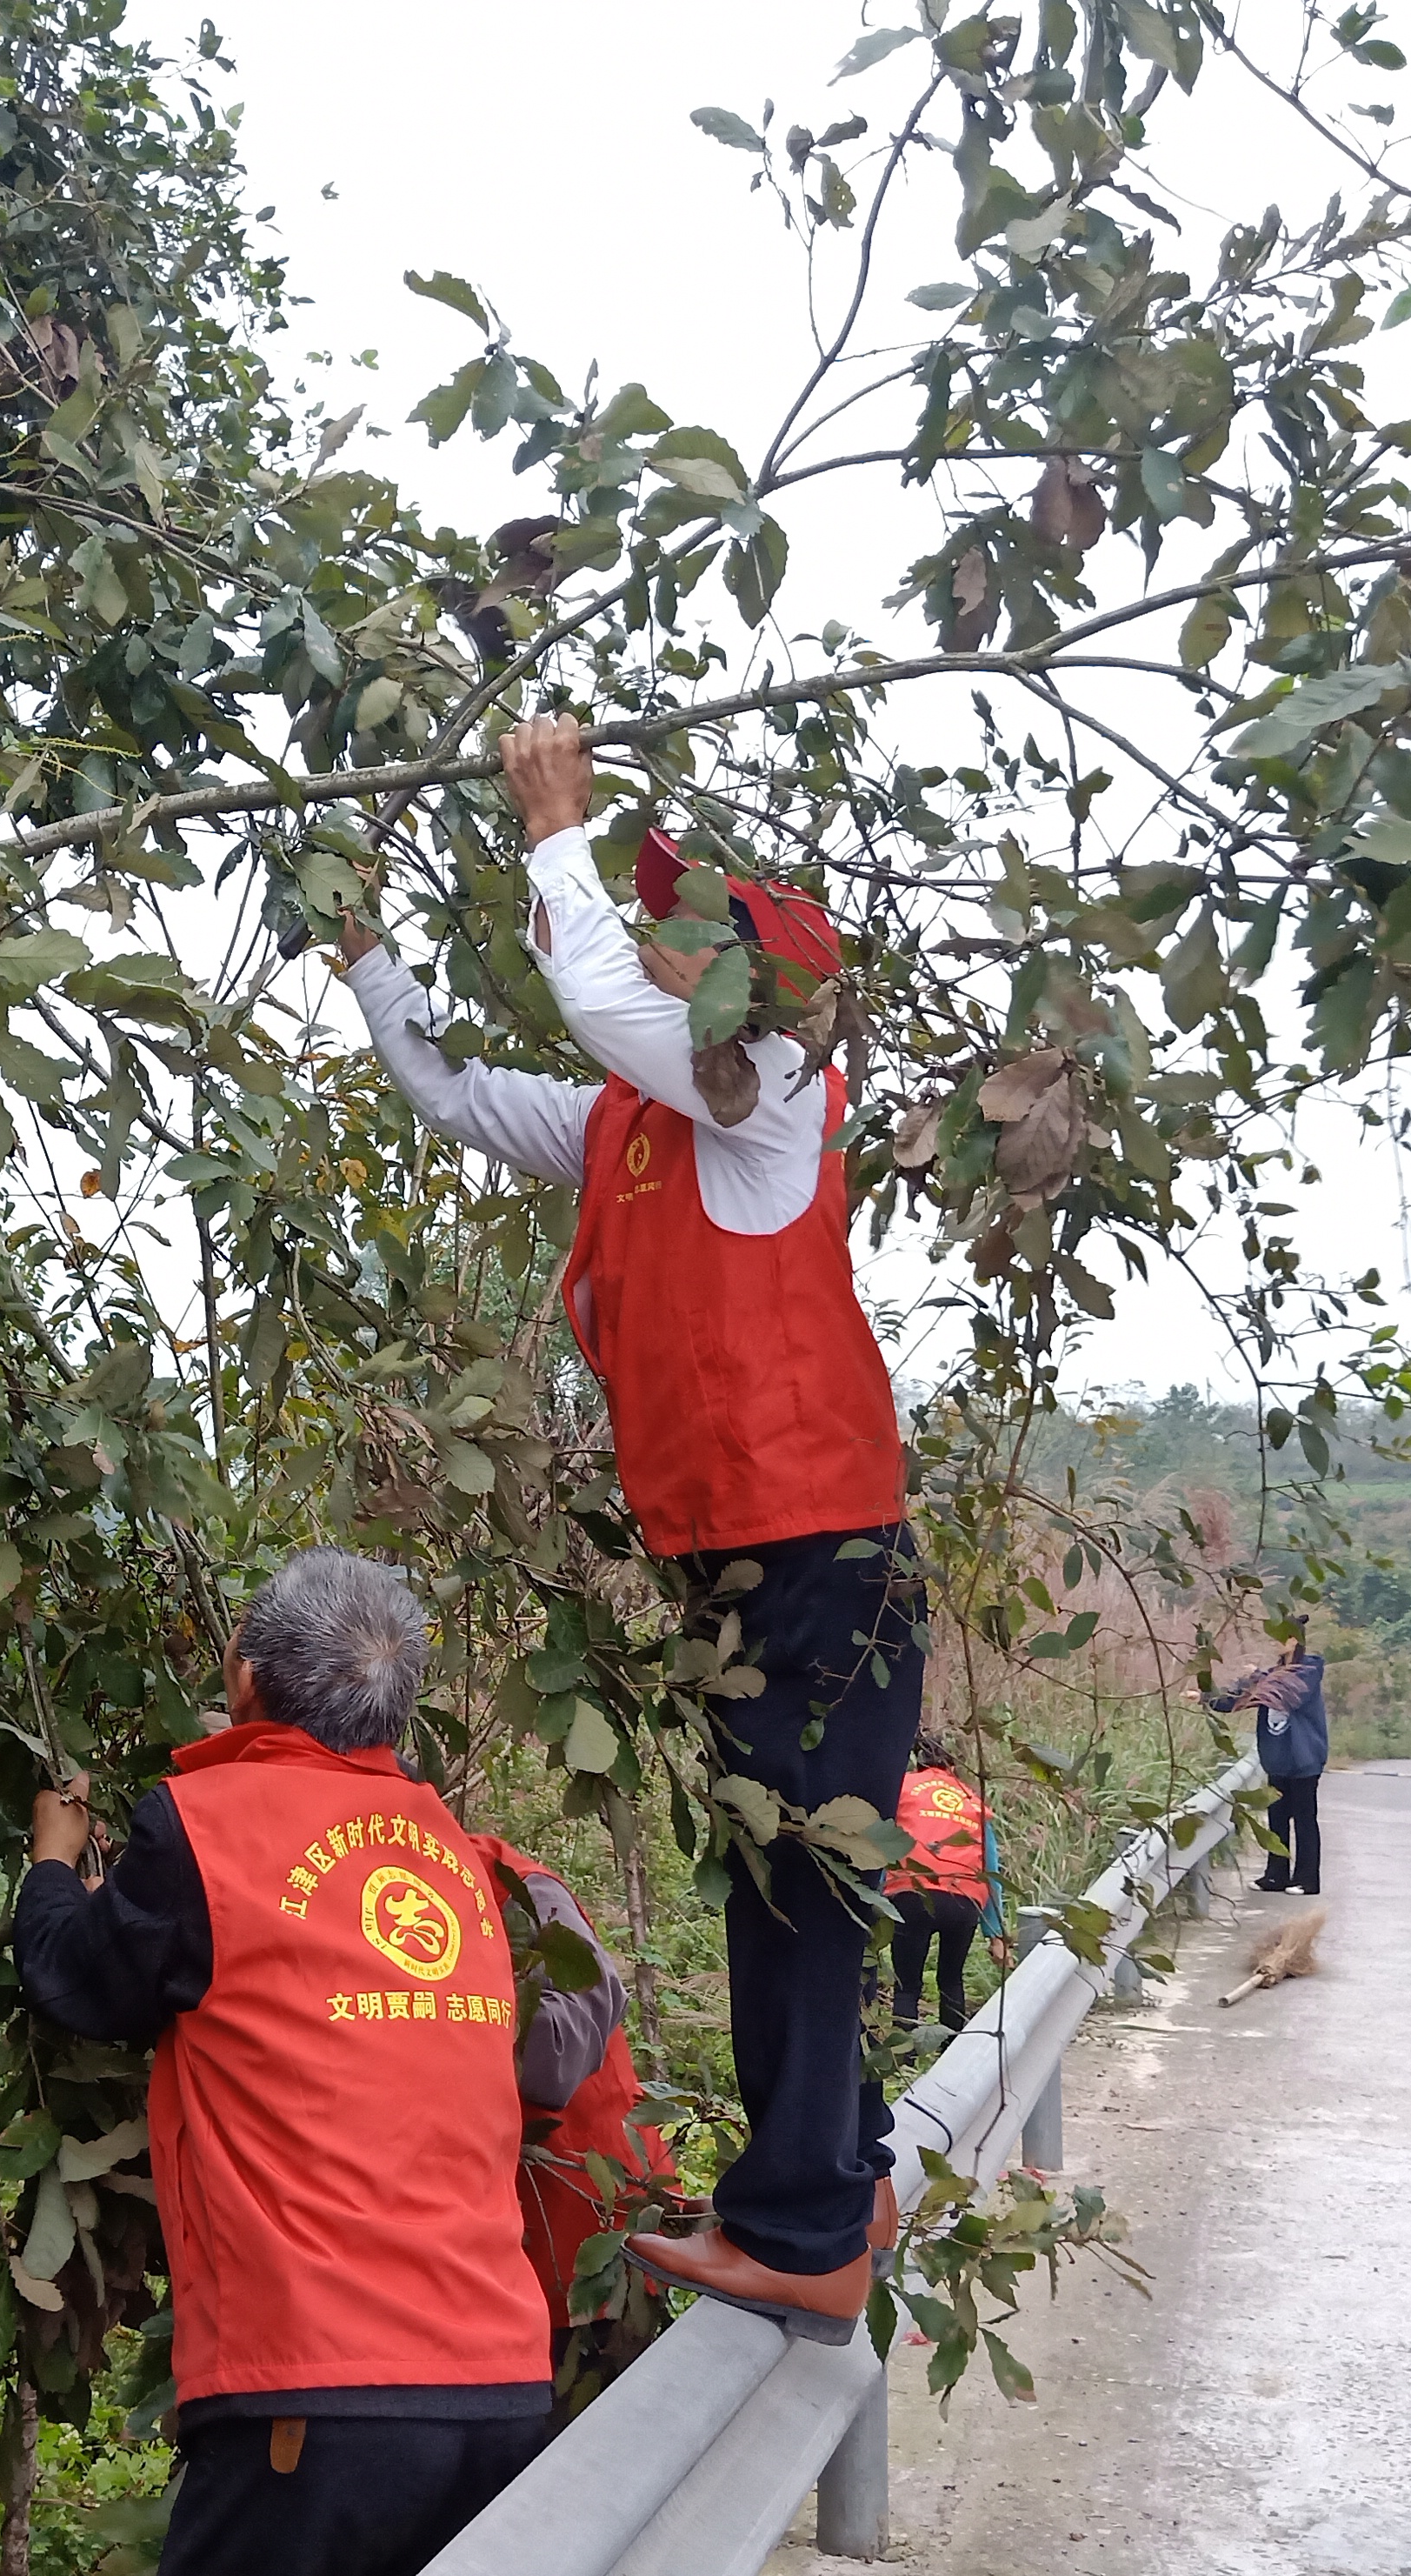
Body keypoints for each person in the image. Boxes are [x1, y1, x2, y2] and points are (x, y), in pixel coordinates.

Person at [329, 711, 919, 2346]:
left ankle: (802, 2227)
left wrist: (554, 826)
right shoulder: (628, 1132)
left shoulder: (778, 1092)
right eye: (649, 920)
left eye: (683, 929)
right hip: (738, 1571)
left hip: (825, 1558)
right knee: (780, 1873)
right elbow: (444, 1084)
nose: (652, 945)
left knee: (801, 1884)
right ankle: (836, 2175)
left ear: (747, 981)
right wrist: (371, 956)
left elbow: (593, 997)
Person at [13, 1548, 569, 2576]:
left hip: (313, 2400)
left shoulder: (203, 1824)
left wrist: (48, 1859)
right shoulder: (447, 1845)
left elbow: (85, 1981)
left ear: (247, 1683)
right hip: (501, 2387)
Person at [486, 1837, 685, 2399]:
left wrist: (430, 2008)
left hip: (593, 2240)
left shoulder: (517, 1888)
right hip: (499, 2261)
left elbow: (557, 2050)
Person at [885, 1738, 1009, 2032]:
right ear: (953, 1766)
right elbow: (990, 1866)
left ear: (919, 1763)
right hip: (964, 1898)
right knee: (951, 1979)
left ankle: (904, 2057)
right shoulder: (971, 1801)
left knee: (907, 1986)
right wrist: (996, 1934)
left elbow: (884, 1846)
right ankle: (953, 2053)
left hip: (912, 1892)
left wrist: (875, 1899)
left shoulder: (901, 1788)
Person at [1210, 1618, 1329, 1893]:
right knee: (1277, 1818)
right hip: (1278, 1760)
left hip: (1304, 1760)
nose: (1273, 1642)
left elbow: (1289, 1694)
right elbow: (1239, 1699)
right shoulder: (1273, 1674)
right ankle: (1276, 1875)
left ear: (1292, 1640)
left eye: (1278, 1637)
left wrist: (1258, 1678)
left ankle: (1307, 1880)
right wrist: (1206, 1698)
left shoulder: (1309, 1669)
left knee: (1304, 1819)